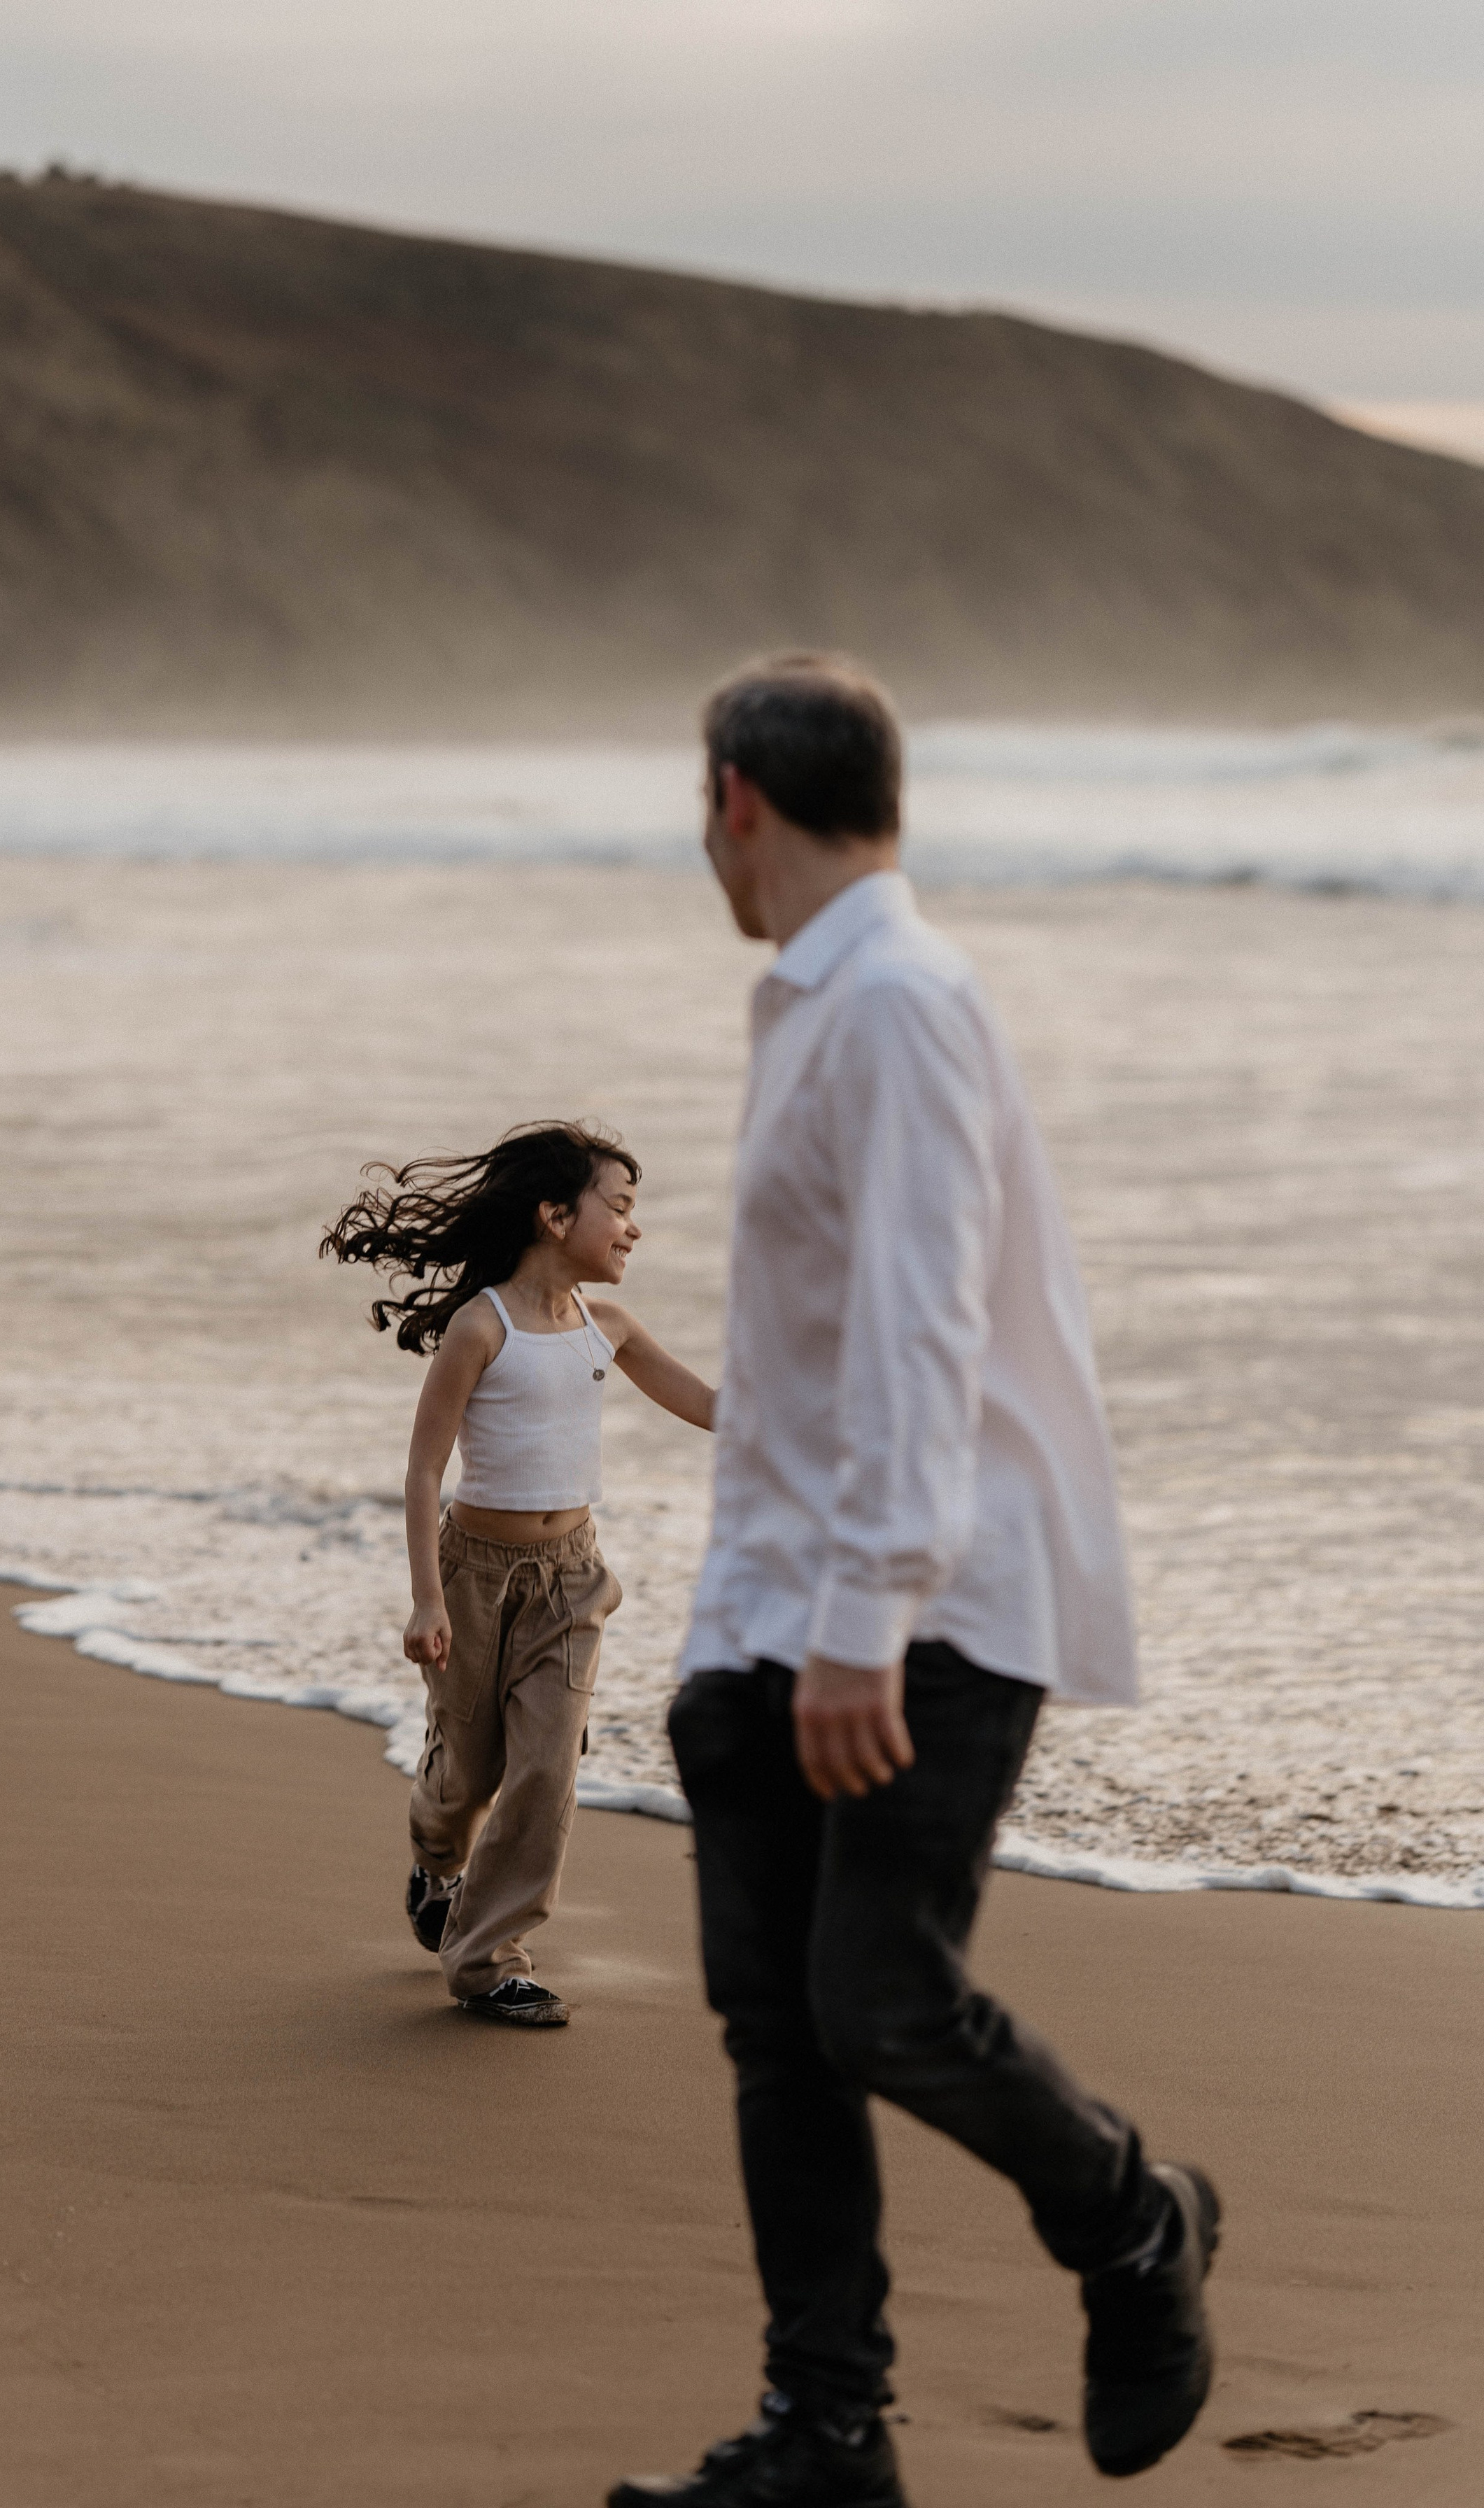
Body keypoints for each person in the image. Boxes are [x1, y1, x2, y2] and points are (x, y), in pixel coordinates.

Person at [609, 658, 1220, 2507]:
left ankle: (1133, 2222)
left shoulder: (898, 1004)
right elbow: (815, 1353)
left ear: (735, 799)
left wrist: (861, 1615)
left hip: (928, 1604)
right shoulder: (810, 1004)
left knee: (876, 1998)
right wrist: (751, 1629)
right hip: (785, 1606)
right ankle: (828, 2432)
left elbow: (924, 1325)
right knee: (779, 2029)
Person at [321, 1123, 716, 2027]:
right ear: (552, 1214)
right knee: (472, 1770)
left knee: (546, 1766)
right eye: (618, 1208)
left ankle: (488, 1957)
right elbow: (424, 1470)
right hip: (474, 1576)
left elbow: (710, 1405)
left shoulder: (607, 1329)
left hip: (572, 1580)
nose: (633, 1228)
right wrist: (426, 1596)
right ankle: (436, 1854)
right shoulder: (479, 1327)